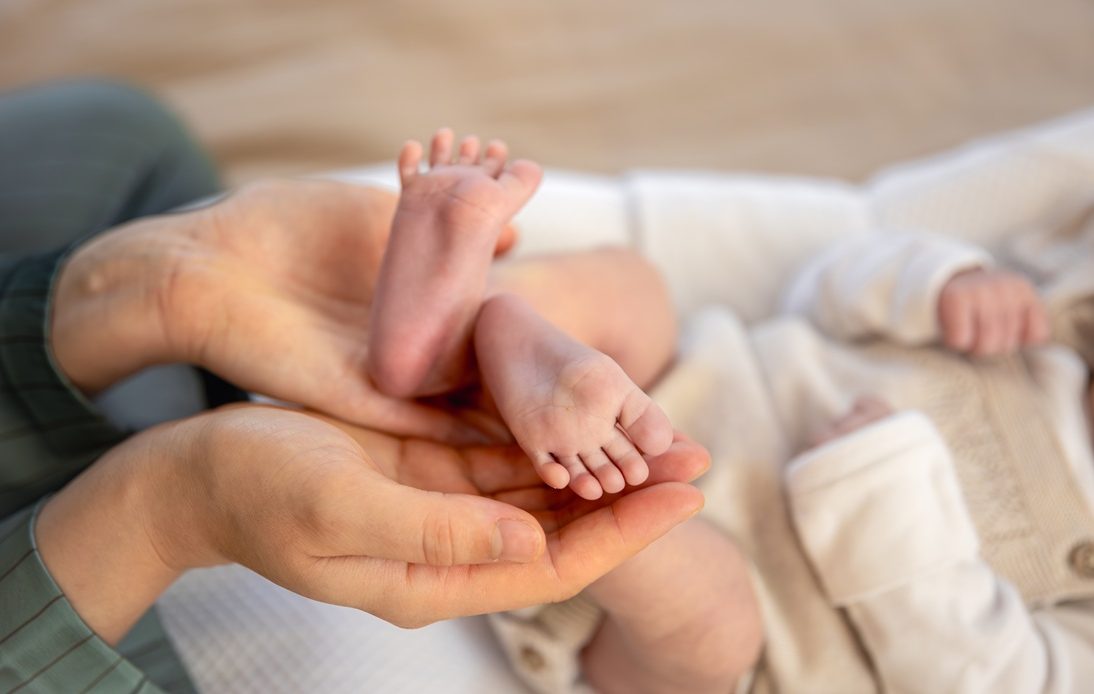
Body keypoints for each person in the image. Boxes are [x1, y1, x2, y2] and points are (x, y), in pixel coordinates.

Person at [0, 80, 709, 692]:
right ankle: (484, 329)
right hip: (637, 417)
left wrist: (155, 292)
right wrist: (163, 508)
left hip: (633, 467)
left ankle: (468, 332)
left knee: (118, 134)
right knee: (633, 292)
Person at [492, 221, 1094, 693]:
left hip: (741, 609)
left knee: (712, 627)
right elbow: (820, 292)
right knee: (634, 287)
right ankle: (476, 316)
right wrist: (936, 282)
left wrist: (884, 493)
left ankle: (576, 494)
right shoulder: (1036, 323)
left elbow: (991, 681)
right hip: (667, 387)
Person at [368, 129, 675, 501]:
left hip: (539, 330)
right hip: (543, 399)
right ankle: (482, 324)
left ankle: (471, 321)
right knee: (633, 289)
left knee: (631, 282)